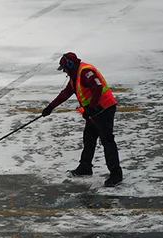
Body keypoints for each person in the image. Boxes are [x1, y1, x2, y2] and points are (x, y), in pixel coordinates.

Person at [41, 52, 123, 187]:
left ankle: (116, 174)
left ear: (70, 65)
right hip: (94, 111)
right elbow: (65, 94)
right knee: (89, 138)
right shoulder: (75, 76)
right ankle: (85, 167)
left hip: (104, 109)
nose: (65, 72)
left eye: (65, 68)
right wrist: (50, 107)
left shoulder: (85, 72)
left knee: (107, 141)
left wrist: (91, 107)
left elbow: (97, 87)